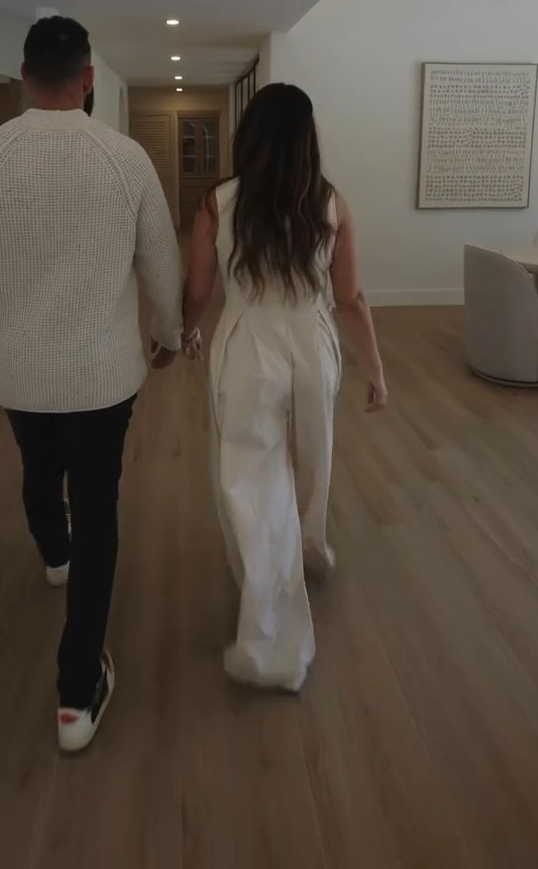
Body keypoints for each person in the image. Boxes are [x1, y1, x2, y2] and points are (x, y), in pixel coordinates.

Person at [0, 16, 182, 752]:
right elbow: (161, 264)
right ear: (87, 79)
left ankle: (55, 555)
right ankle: (76, 695)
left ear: (25, 77)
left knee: (38, 466)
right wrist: (169, 336)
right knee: (99, 509)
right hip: (102, 377)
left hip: (17, 374)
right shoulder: (125, 158)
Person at [182, 83, 387, 692]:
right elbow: (349, 297)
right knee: (314, 457)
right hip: (312, 341)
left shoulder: (219, 202)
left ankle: (266, 618)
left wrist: (187, 331)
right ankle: (310, 548)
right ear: (307, 140)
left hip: (246, 344)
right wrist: (376, 367)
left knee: (249, 473)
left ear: (250, 134)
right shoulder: (331, 203)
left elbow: (200, 289)